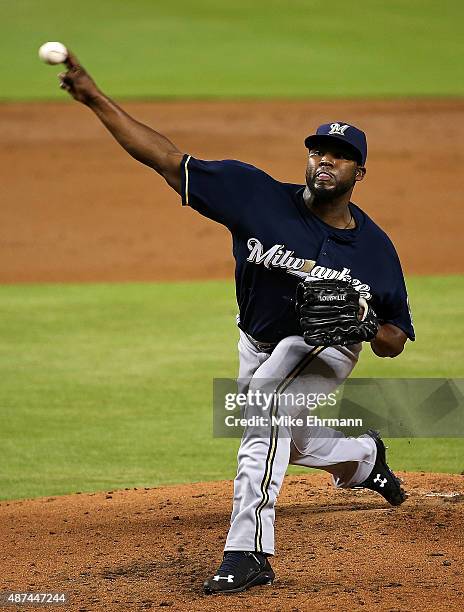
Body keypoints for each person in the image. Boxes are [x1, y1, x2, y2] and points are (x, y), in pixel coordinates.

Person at [58, 52, 415, 595]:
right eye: (319, 149)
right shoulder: (254, 194)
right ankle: (364, 457)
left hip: (326, 349)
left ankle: (249, 550)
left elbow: (394, 342)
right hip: (255, 340)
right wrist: (94, 99)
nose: (326, 160)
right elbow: (165, 158)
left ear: (358, 173)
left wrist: (365, 323)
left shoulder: (376, 251)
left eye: (341, 156)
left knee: (266, 401)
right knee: (285, 438)